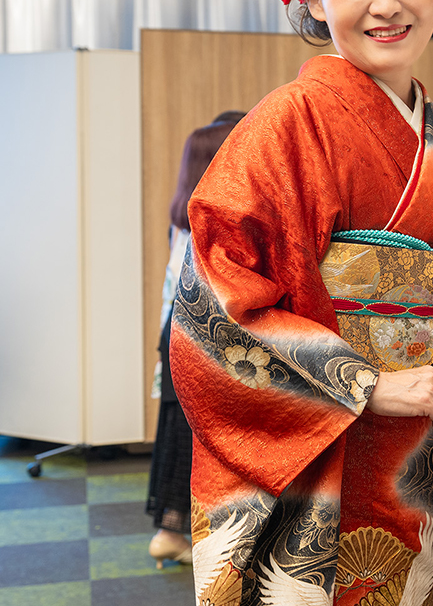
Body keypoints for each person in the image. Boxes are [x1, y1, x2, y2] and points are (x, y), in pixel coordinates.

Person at [171, 0, 433, 606]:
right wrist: (368, 384)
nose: (384, 4)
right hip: (324, 473)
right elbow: (211, 311)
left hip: (431, 463)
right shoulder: (284, 128)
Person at [147, 109, 245, 569]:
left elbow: (170, 288)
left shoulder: (181, 218)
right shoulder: (220, 219)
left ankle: (169, 531)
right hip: (205, 330)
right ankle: (188, 535)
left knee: (177, 429)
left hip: (176, 328)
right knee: (201, 434)